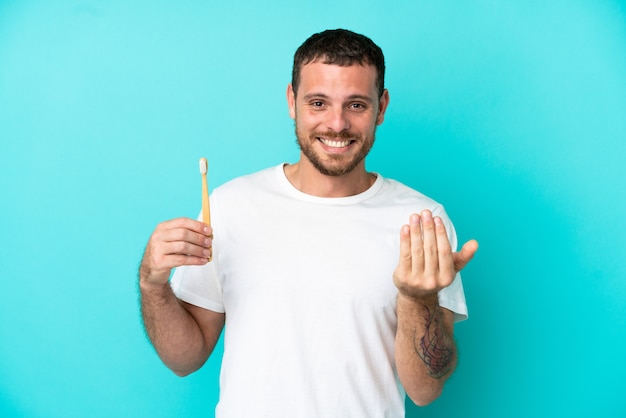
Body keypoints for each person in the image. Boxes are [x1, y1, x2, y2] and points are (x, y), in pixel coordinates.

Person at [139, 28, 478, 417]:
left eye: (356, 105)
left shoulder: (422, 222)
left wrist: (418, 299)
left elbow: (424, 391)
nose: (336, 124)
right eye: (318, 102)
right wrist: (153, 284)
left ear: (381, 107)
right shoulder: (232, 205)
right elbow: (185, 359)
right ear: (291, 101)